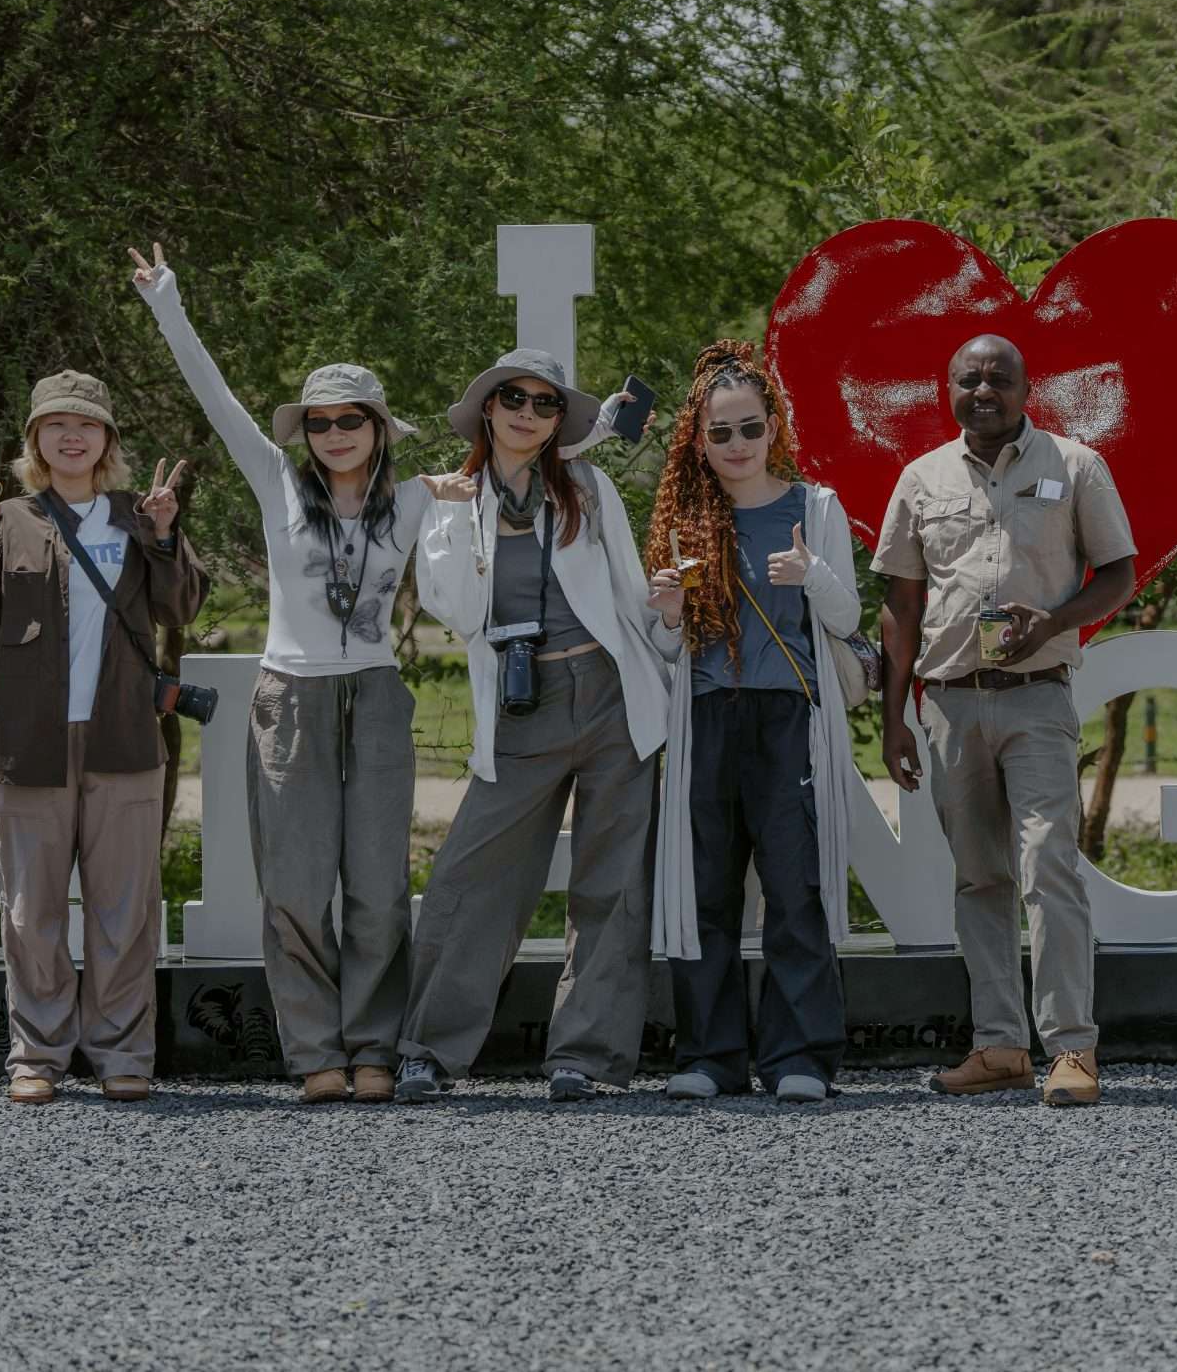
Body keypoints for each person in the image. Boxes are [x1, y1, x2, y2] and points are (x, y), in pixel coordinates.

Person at [132, 242, 441, 1105]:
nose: (334, 433)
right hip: (290, 696)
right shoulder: (277, 484)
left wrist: (596, 423)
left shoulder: (417, 495)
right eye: (320, 421)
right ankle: (316, 1052)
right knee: (297, 886)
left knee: (379, 886)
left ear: (379, 426)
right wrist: (168, 302)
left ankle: (374, 1043)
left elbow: (518, 451)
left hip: (376, 695)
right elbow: (214, 395)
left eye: (351, 419)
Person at [400, 350, 672, 1101]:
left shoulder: (586, 487)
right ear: (487, 407)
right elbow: (451, 608)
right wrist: (453, 511)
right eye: (512, 398)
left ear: (558, 422)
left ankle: (584, 1053)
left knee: (610, 882)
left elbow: (627, 591)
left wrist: (668, 659)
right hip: (523, 700)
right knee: (472, 874)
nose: (527, 412)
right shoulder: (455, 499)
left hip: (610, 692)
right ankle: (430, 1046)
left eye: (545, 404)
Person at [872, 334, 1136, 1108]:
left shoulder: (1075, 466)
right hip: (950, 702)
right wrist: (895, 719)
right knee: (978, 877)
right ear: (945, 388)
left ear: (1028, 390)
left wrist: (1052, 620)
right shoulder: (919, 479)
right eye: (969, 378)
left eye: (1000, 379)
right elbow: (902, 604)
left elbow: (1117, 572)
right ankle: (998, 1045)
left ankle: (1072, 1049)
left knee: (1048, 864)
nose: (984, 390)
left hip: (1038, 695)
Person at [0, 371, 209, 1106]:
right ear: (35, 439)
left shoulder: (137, 514)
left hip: (124, 734)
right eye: (56, 424)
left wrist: (164, 532)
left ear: (108, 440)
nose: (72, 435)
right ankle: (38, 1053)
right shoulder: (11, 518)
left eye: (87, 424)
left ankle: (125, 1052)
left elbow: (180, 602)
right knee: (32, 909)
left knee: (126, 907)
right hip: (30, 739)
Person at [644, 341, 858, 1104]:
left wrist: (813, 574)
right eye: (720, 433)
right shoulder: (687, 520)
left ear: (775, 428)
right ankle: (711, 1055)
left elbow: (846, 617)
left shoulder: (816, 508)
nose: (737, 446)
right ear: (698, 443)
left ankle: (799, 1054)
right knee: (706, 889)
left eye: (749, 428)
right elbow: (669, 650)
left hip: (786, 719)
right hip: (706, 717)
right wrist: (667, 617)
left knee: (795, 886)